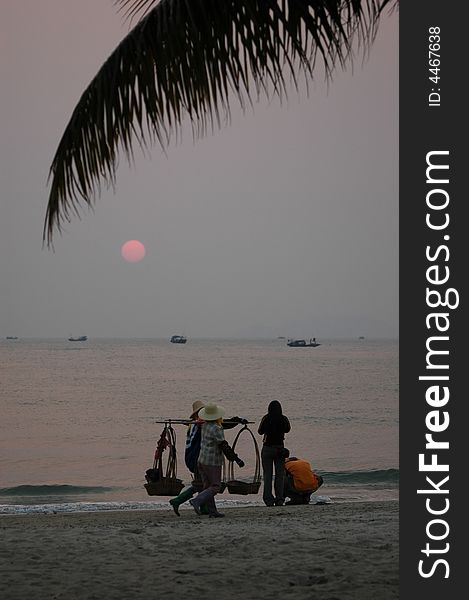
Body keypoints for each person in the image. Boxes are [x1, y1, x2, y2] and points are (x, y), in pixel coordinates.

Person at [169, 401, 246, 516]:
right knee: (205, 486)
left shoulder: (196, 424)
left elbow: (222, 424)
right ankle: (181, 501)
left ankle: (209, 510)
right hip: (199, 458)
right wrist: (235, 458)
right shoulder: (200, 425)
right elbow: (222, 427)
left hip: (197, 458)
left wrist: (236, 420)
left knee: (203, 485)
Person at [188, 402, 237, 518]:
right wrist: (234, 458)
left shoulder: (203, 425)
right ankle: (197, 501)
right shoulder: (216, 428)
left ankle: (212, 511)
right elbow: (222, 444)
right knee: (215, 486)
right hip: (212, 461)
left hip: (201, 459)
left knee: (207, 486)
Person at [258, 400, 291, 506]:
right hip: (280, 449)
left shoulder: (266, 418)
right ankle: (280, 499)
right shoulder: (283, 418)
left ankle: (268, 500)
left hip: (267, 448)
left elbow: (260, 431)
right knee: (279, 475)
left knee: (267, 476)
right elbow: (287, 429)